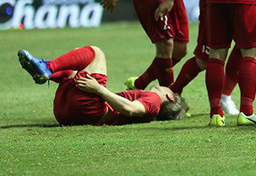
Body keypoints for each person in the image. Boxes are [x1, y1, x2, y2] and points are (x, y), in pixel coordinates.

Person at [17, 47, 187, 126]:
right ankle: (44, 70)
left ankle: (47, 67)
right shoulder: (152, 105)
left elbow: (131, 109)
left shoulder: (155, 100)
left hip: (88, 110)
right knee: (75, 67)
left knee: (96, 53)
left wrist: (99, 89)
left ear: (170, 96)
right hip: (65, 114)